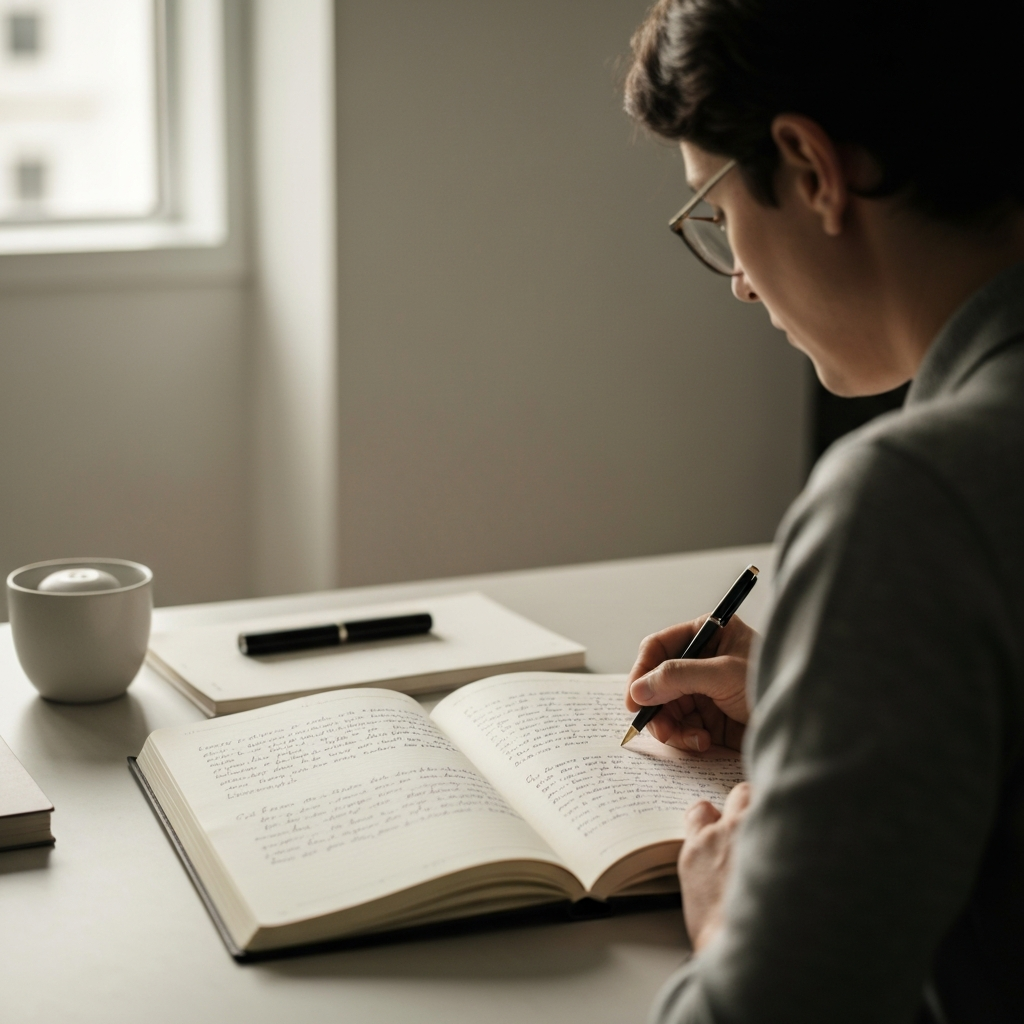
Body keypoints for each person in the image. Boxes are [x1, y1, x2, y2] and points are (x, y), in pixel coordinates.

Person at [620, 1, 1024, 1021]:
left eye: (714, 213)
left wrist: (727, 923)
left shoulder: (911, 497)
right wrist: (848, 695)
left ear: (808, 168)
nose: (740, 286)